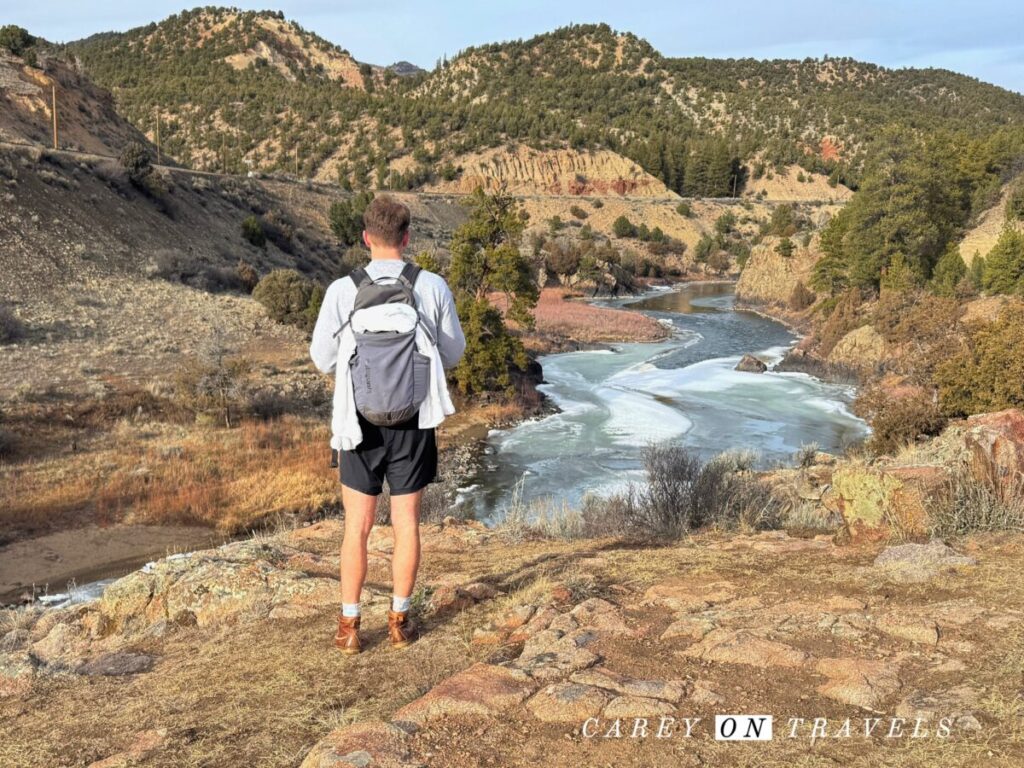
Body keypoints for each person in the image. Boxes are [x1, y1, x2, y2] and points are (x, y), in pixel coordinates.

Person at [310, 195, 465, 654]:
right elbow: (453, 352)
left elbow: (322, 358)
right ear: (407, 237)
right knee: (406, 523)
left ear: (365, 238)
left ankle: (349, 628)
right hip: (414, 419)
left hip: (356, 421)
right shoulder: (431, 285)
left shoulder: (342, 290)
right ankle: (399, 622)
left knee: (356, 527)